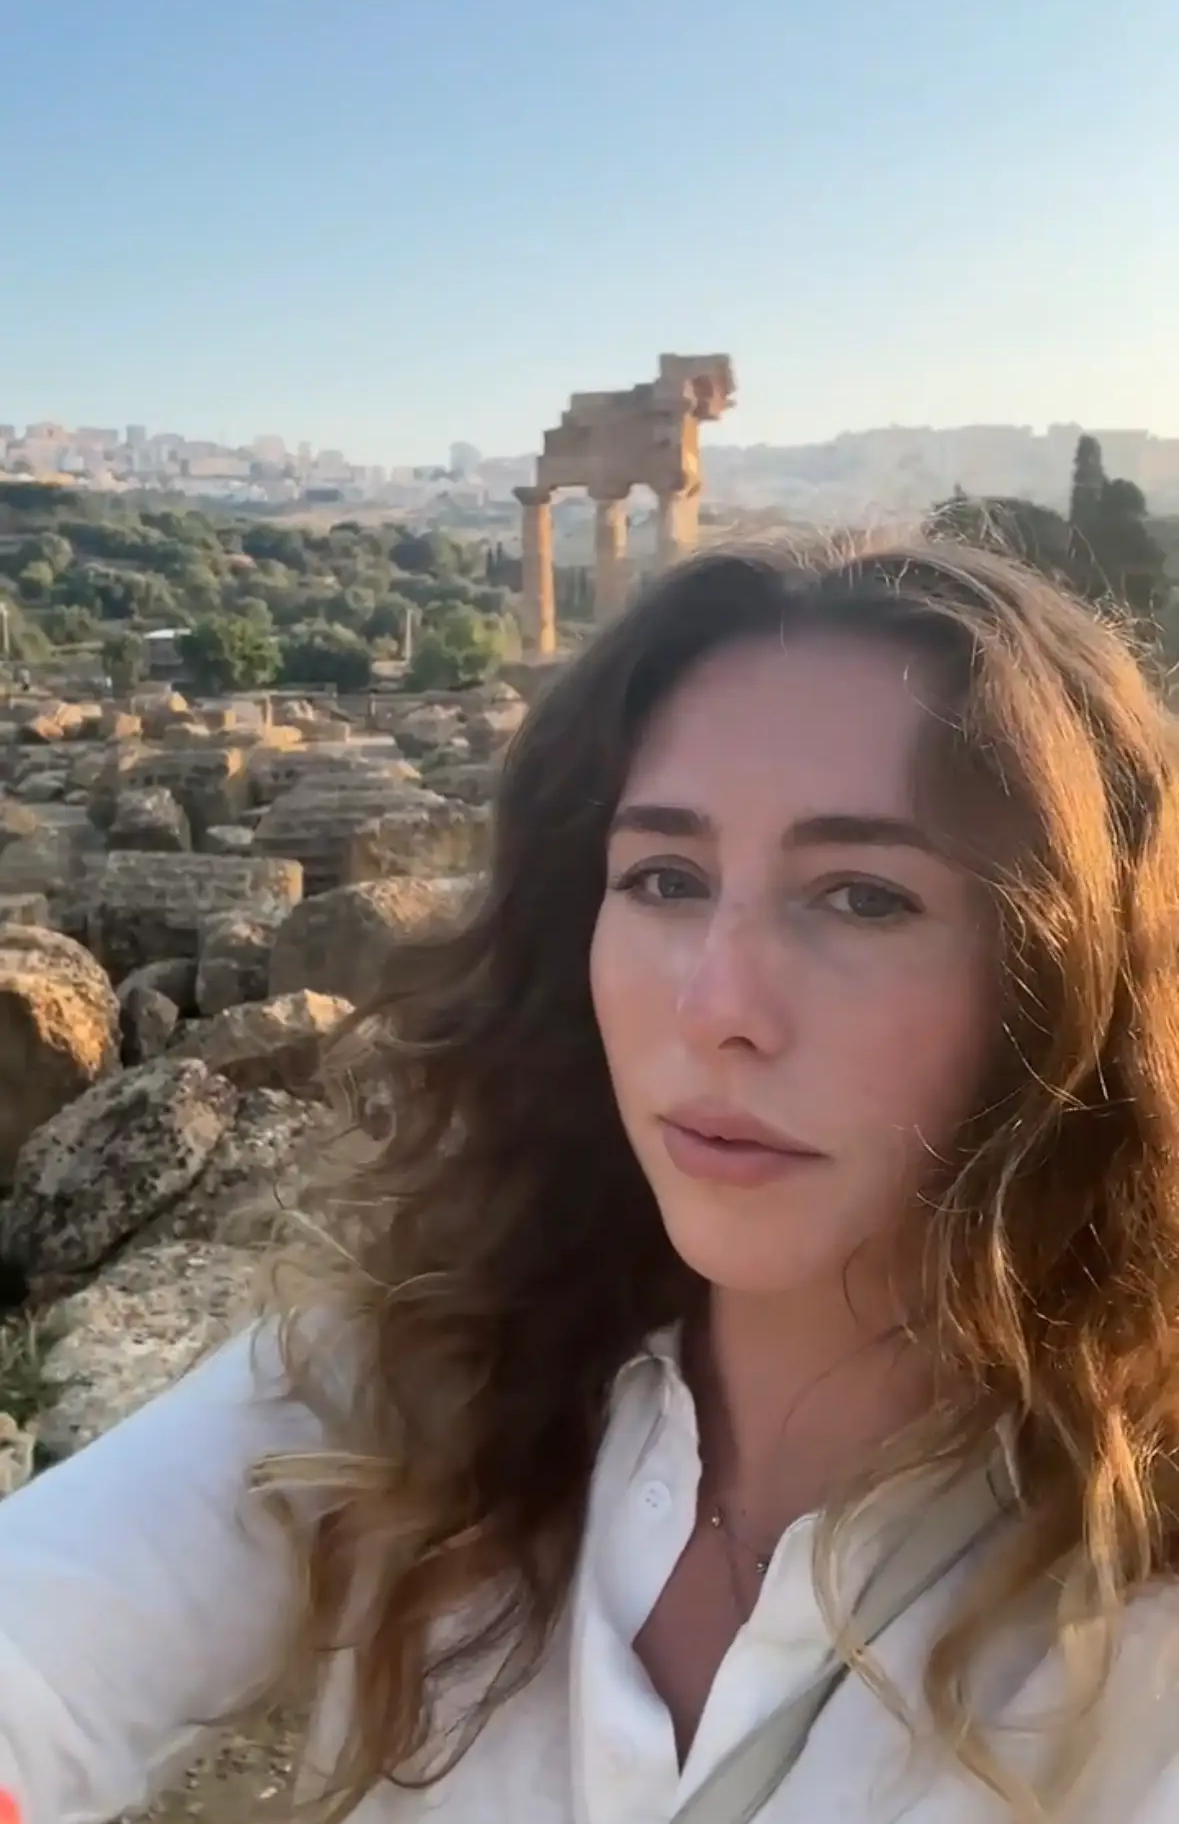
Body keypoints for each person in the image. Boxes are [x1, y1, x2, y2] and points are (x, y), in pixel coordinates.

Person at [4, 534, 1179, 1824]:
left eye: (862, 897)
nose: (718, 1006)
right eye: (665, 879)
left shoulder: (1142, 1624)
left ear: (1066, 983)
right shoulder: (413, 1376)